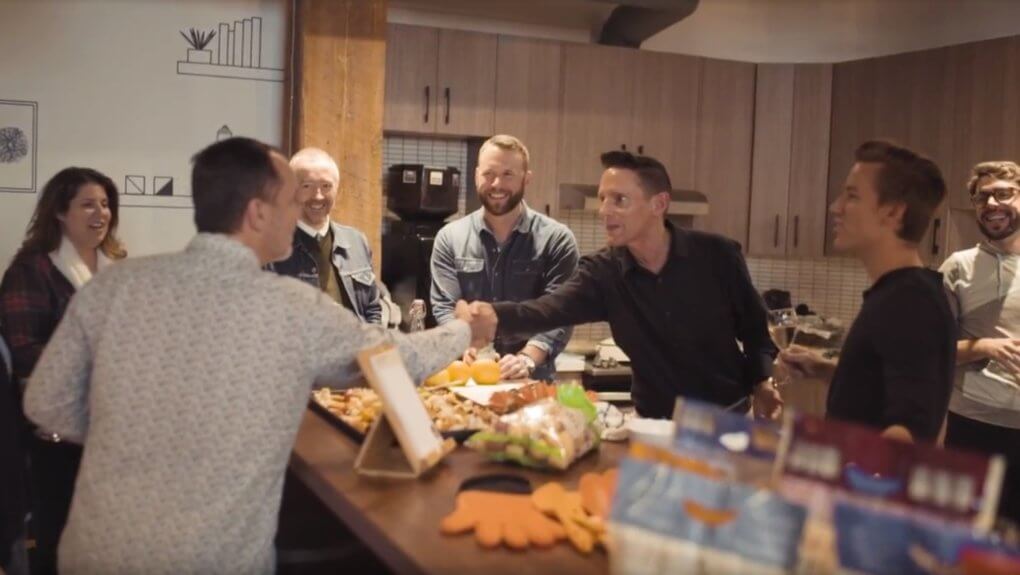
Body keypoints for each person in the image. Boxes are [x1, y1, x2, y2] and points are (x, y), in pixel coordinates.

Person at [22, 137, 496, 575]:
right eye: (291, 199)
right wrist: (465, 330)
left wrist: (132, 429)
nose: (301, 210)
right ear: (256, 214)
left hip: (92, 553)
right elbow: (398, 361)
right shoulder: (291, 308)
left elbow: (45, 402)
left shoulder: (113, 287)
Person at [487, 150, 782, 419]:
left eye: (619, 200)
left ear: (659, 204)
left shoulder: (718, 256)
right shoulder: (602, 273)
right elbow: (545, 311)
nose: (604, 210)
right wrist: (488, 317)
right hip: (652, 425)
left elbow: (757, 332)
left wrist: (763, 382)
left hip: (727, 420)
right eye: (602, 199)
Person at [781, 141, 954, 443]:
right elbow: (887, 393)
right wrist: (825, 370)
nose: (836, 207)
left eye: (852, 196)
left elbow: (910, 429)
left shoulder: (910, 301)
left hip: (866, 487)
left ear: (893, 213)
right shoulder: (898, 292)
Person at [0, 167, 126, 575]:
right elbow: (24, 350)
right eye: (88, 204)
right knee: (60, 536)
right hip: (54, 431)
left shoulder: (121, 265)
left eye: (106, 204)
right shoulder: (31, 270)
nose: (101, 213)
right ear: (59, 212)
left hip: (115, 423)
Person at [431, 134, 579, 380]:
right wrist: (464, 344)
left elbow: (561, 312)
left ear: (526, 178)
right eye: (489, 174)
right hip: (469, 380)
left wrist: (527, 358)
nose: (496, 184)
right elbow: (445, 307)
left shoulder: (557, 239)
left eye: (508, 174)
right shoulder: (449, 238)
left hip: (533, 385)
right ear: (476, 175)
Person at [939, 161, 1020, 522]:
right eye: (982, 197)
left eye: (1003, 193)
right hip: (972, 423)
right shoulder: (958, 267)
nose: (991, 204)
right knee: (965, 534)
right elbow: (929, 352)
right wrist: (985, 347)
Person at [266, 147, 382, 323]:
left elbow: (372, 310)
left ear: (338, 190)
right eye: (307, 186)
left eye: (326, 186)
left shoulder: (357, 241)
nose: (318, 196)